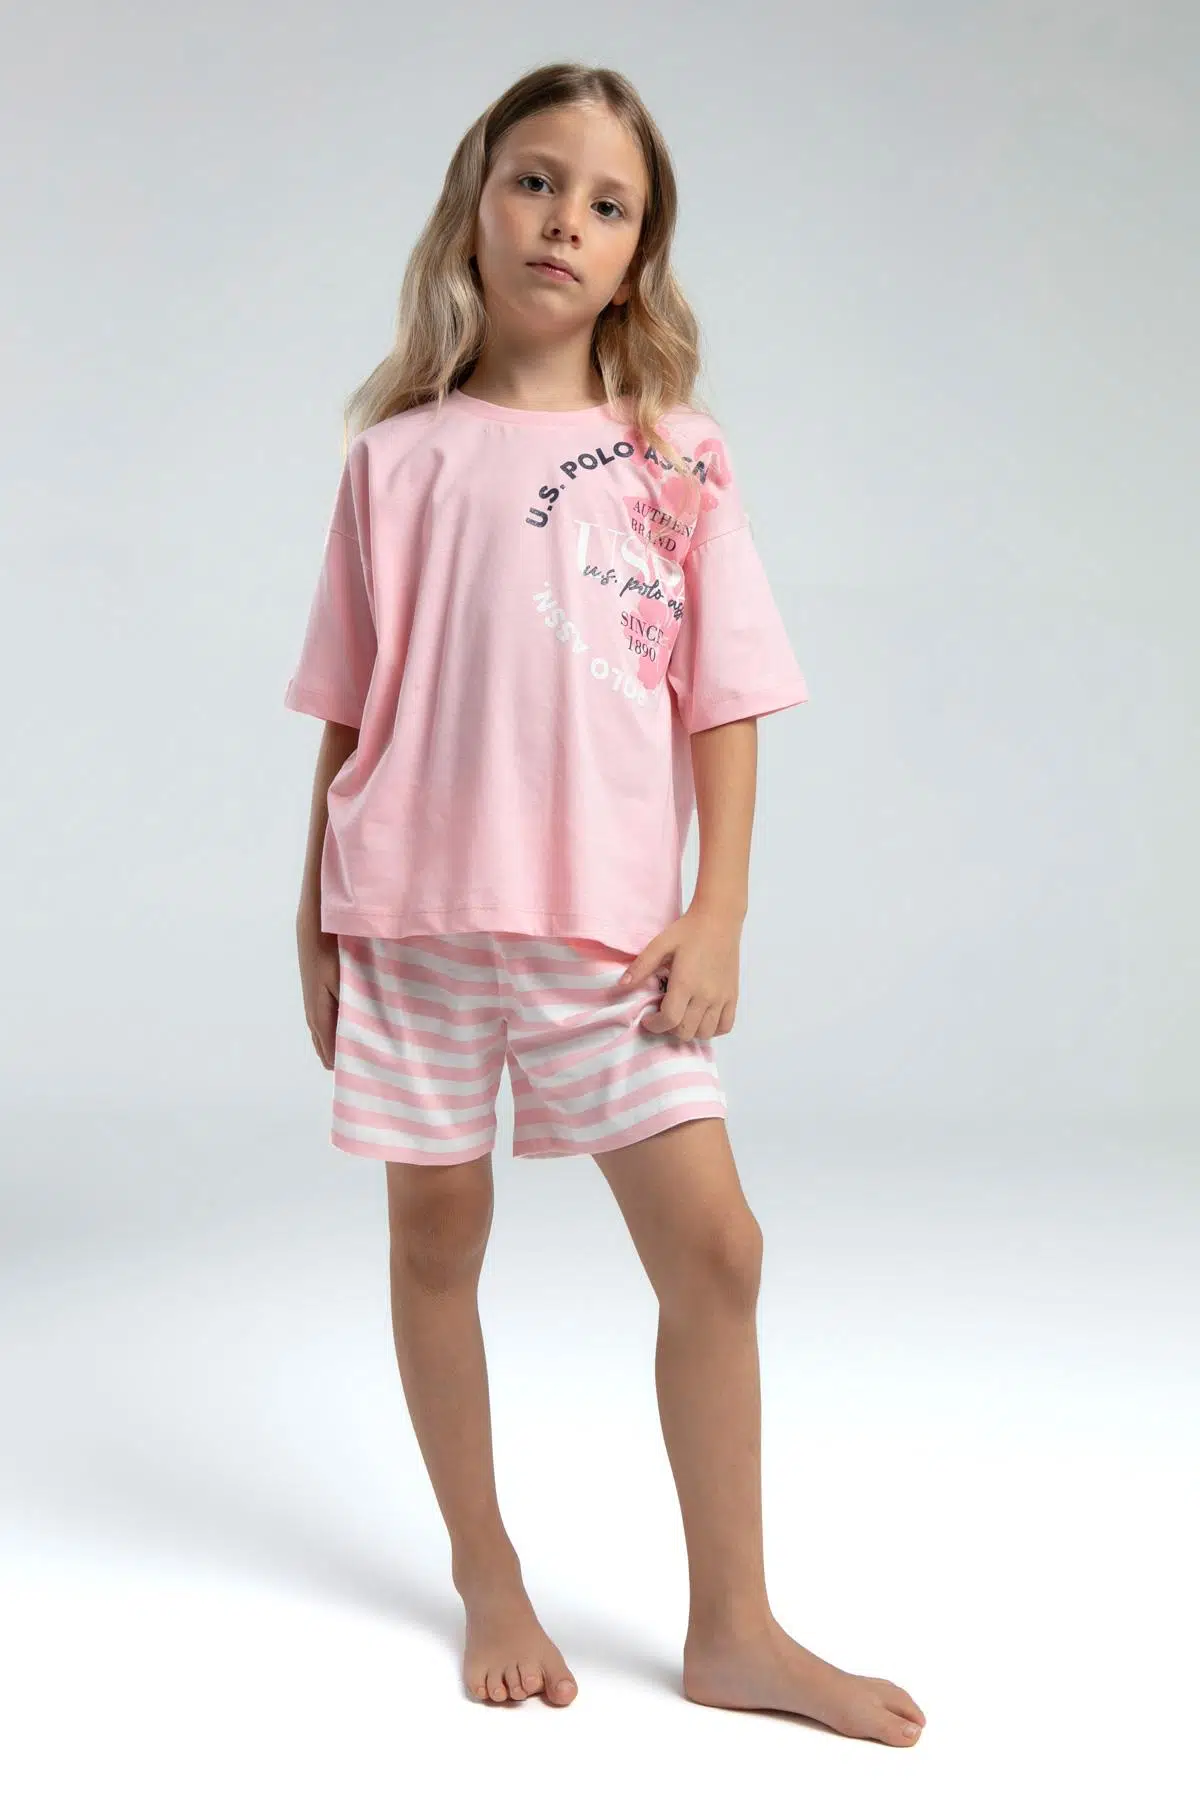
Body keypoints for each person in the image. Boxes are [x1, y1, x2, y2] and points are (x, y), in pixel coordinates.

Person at [284, 61, 926, 1747]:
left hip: (607, 937)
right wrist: (312, 918)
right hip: (412, 919)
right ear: (474, 210)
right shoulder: (393, 461)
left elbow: (727, 700)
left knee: (718, 1251)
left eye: (606, 201)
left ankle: (735, 1628)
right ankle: (486, 1569)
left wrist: (720, 916)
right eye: (535, 181)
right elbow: (347, 708)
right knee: (437, 1243)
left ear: (639, 254)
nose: (564, 218)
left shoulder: (675, 458)